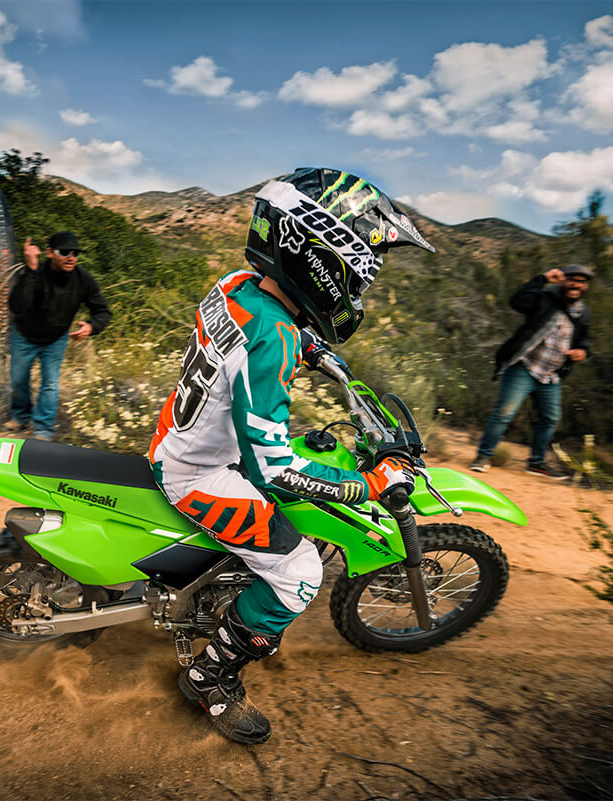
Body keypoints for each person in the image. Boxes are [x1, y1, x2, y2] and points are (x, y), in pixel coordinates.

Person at [148, 168, 436, 744]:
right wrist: (367, 486)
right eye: (361, 276)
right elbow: (275, 469)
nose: (361, 290)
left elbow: (253, 334)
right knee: (301, 573)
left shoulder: (239, 287)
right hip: (202, 475)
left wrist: (312, 347)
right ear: (324, 259)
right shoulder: (272, 338)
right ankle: (210, 677)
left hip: (179, 441)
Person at [469, 265, 593, 479]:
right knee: (504, 413)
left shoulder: (583, 312)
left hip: (551, 375)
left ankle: (536, 464)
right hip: (524, 367)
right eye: (572, 279)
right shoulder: (545, 298)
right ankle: (483, 457)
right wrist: (542, 278)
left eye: (582, 281)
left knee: (550, 418)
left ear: (586, 286)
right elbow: (517, 301)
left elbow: (584, 339)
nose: (577, 284)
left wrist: (583, 351)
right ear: (563, 280)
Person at [7, 231, 111, 441]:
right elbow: (16, 305)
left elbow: (103, 311)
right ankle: (20, 417)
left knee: (51, 383)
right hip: (24, 334)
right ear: (50, 253)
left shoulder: (83, 280)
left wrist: (91, 326)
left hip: (55, 338)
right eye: (65, 252)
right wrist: (31, 269)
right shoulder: (34, 272)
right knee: (18, 380)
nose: (71, 257)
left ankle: (43, 429)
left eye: (75, 253)